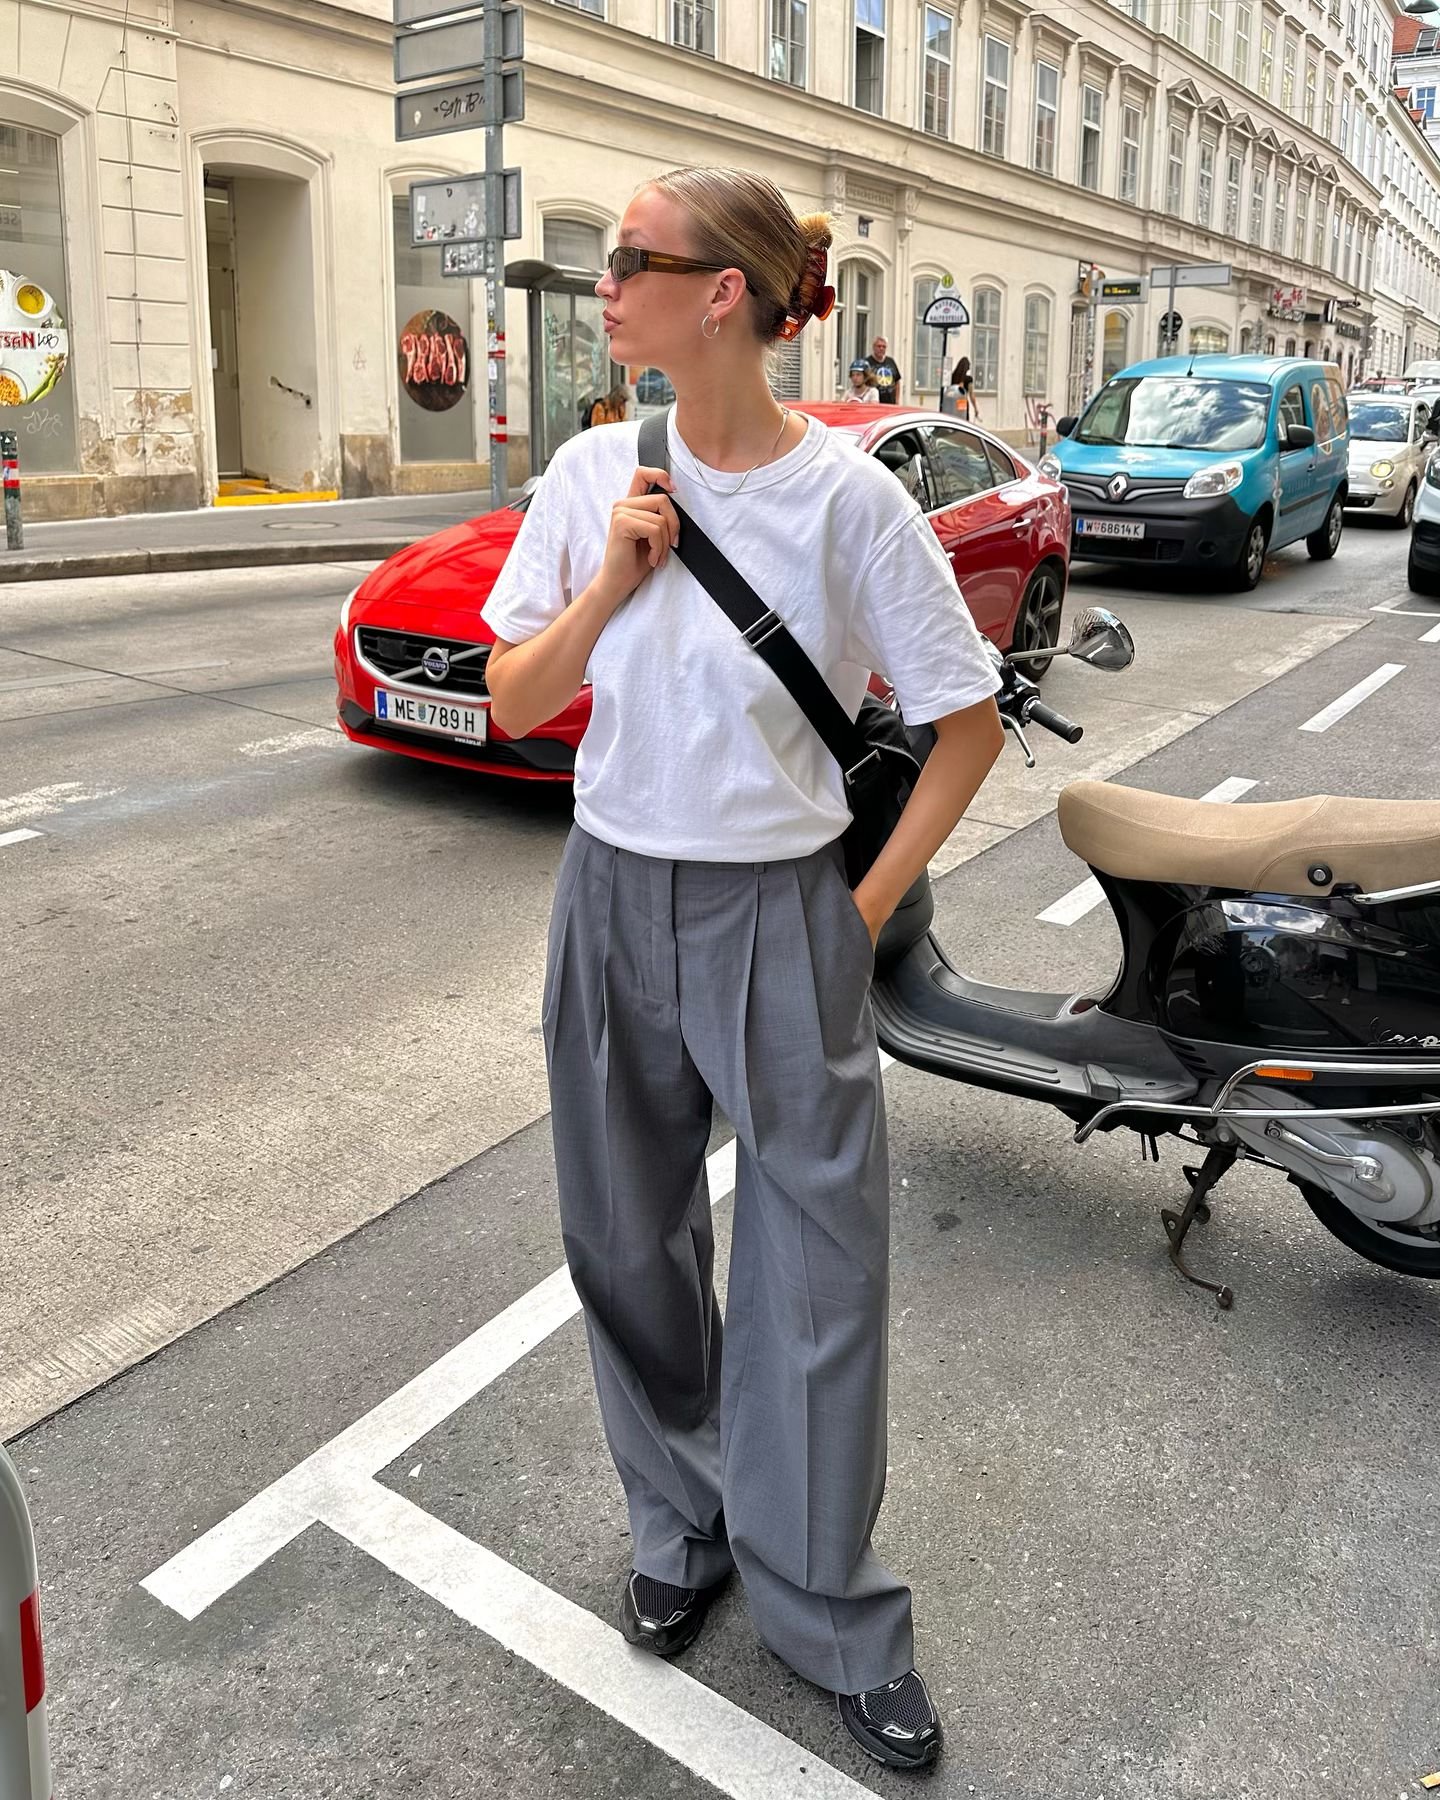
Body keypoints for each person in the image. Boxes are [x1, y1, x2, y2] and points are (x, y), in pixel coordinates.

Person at [481, 164, 1003, 1773]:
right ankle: (679, 1527)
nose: (605, 280)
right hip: (613, 892)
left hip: (782, 905)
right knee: (624, 1239)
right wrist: (607, 585)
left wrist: (858, 910)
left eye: (630, 258)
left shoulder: (850, 502)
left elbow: (963, 723)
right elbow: (511, 698)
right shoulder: (587, 473)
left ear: (722, 295)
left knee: (816, 1277)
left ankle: (834, 1614)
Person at [865, 335, 902, 404]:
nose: (881, 348)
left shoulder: (891, 361)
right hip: (874, 403)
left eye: (884, 347)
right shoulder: (867, 363)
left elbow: (897, 382)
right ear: (873, 347)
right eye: (879, 346)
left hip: (891, 403)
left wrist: (897, 400)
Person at [949, 355, 978, 421]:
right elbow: (971, 395)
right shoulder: (968, 379)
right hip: (963, 405)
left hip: (953, 405)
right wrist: (975, 408)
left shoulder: (952, 377)